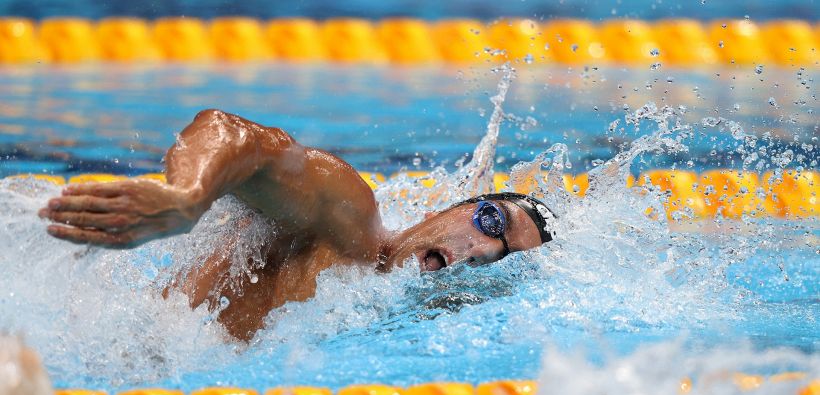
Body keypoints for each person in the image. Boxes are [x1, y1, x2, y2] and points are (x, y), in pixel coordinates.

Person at [38, 110, 556, 341]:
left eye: (502, 256)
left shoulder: (383, 324)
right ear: (443, 209)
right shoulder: (346, 218)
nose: (482, 249)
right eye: (491, 219)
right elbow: (236, 135)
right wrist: (186, 197)